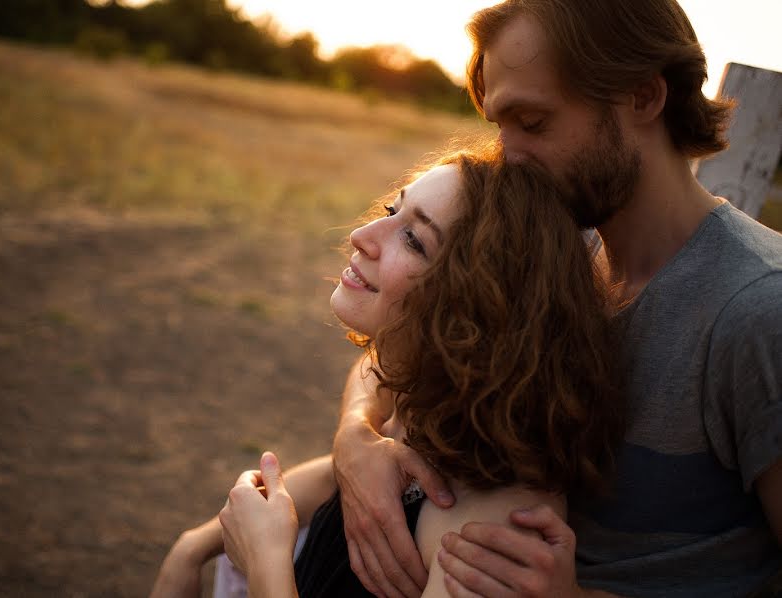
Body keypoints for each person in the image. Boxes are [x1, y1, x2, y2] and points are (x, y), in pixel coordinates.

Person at [330, 1, 782, 597]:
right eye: (499, 124)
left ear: (643, 97)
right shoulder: (563, 239)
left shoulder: (757, 312)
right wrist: (357, 437)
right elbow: (410, 353)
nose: (507, 155)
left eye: (533, 123)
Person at [151, 150, 623, 597]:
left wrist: (266, 565)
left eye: (414, 239)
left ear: (478, 306)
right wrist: (192, 547)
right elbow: (346, 484)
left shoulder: (489, 538)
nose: (364, 234)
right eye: (390, 209)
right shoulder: (432, 406)